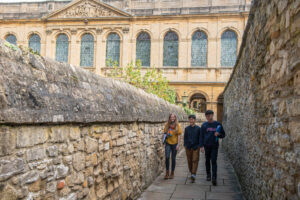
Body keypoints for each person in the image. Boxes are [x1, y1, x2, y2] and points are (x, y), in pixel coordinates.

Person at [200, 110, 225, 186]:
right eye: (207, 116)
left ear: (212, 115)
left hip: (214, 146)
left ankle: (214, 177)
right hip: (206, 146)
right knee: (207, 160)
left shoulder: (218, 124)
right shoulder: (204, 125)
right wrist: (201, 146)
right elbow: (201, 136)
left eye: (209, 115)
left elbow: (223, 135)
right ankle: (208, 175)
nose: (208, 117)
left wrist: (219, 134)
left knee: (213, 161)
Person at [163, 113, 182, 179]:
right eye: (171, 117)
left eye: (173, 117)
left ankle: (172, 172)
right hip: (168, 143)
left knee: (173, 158)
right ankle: (167, 172)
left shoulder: (177, 125)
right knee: (167, 157)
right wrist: (164, 140)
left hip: (175, 144)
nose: (172, 118)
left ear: (175, 118)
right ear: (169, 118)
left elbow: (179, 135)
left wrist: (178, 144)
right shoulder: (167, 125)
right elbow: (164, 133)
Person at [184, 114, 201, 183]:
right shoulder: (187, 128)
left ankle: (193, 174)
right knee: (189, 160)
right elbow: (185, 138)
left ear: (195, 120)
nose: (191, 120)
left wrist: (199, 145)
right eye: (190, 119)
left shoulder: (198, 128)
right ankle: (191, 172)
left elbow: (200, 138)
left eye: (192, 119)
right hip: (188, 147)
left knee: (195, 160)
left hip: (196, 147)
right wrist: (185, 145)